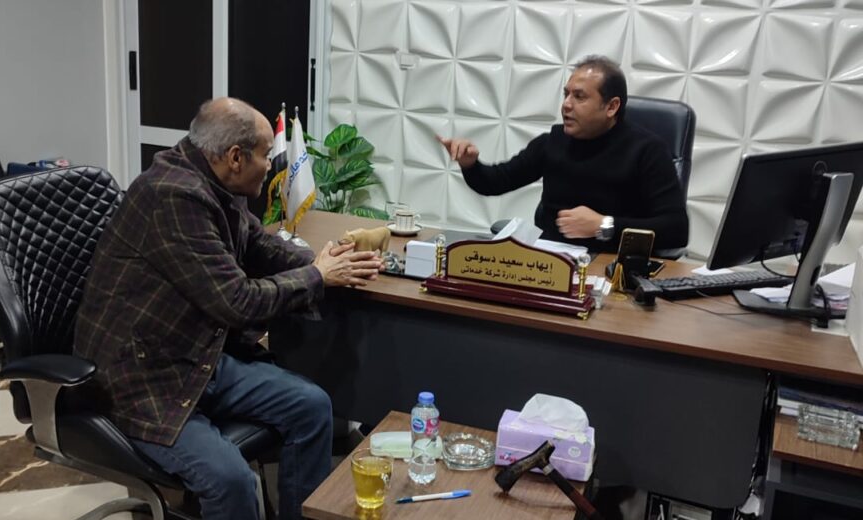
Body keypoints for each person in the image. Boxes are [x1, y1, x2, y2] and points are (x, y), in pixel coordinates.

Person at [74, 97, 382, 519]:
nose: (271, 165)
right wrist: (316, 276)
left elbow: (256, 243)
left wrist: (319, 260)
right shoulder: (173, 196)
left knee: (310, 406)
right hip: (145, 378)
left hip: (196, 356)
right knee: (232, 480)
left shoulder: (215, 181)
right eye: (266, 156)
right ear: (236, 157)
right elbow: (237, 301)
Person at [438, 55, 689, 253]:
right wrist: (470, 164)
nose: (566, 104)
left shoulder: (647, 150)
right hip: (550, 261)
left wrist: (604, 226)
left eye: (579, 97)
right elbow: (495, 182)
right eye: (566, 94)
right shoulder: (553, 142)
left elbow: (676, 230)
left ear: (611, 107)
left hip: (612, 268)